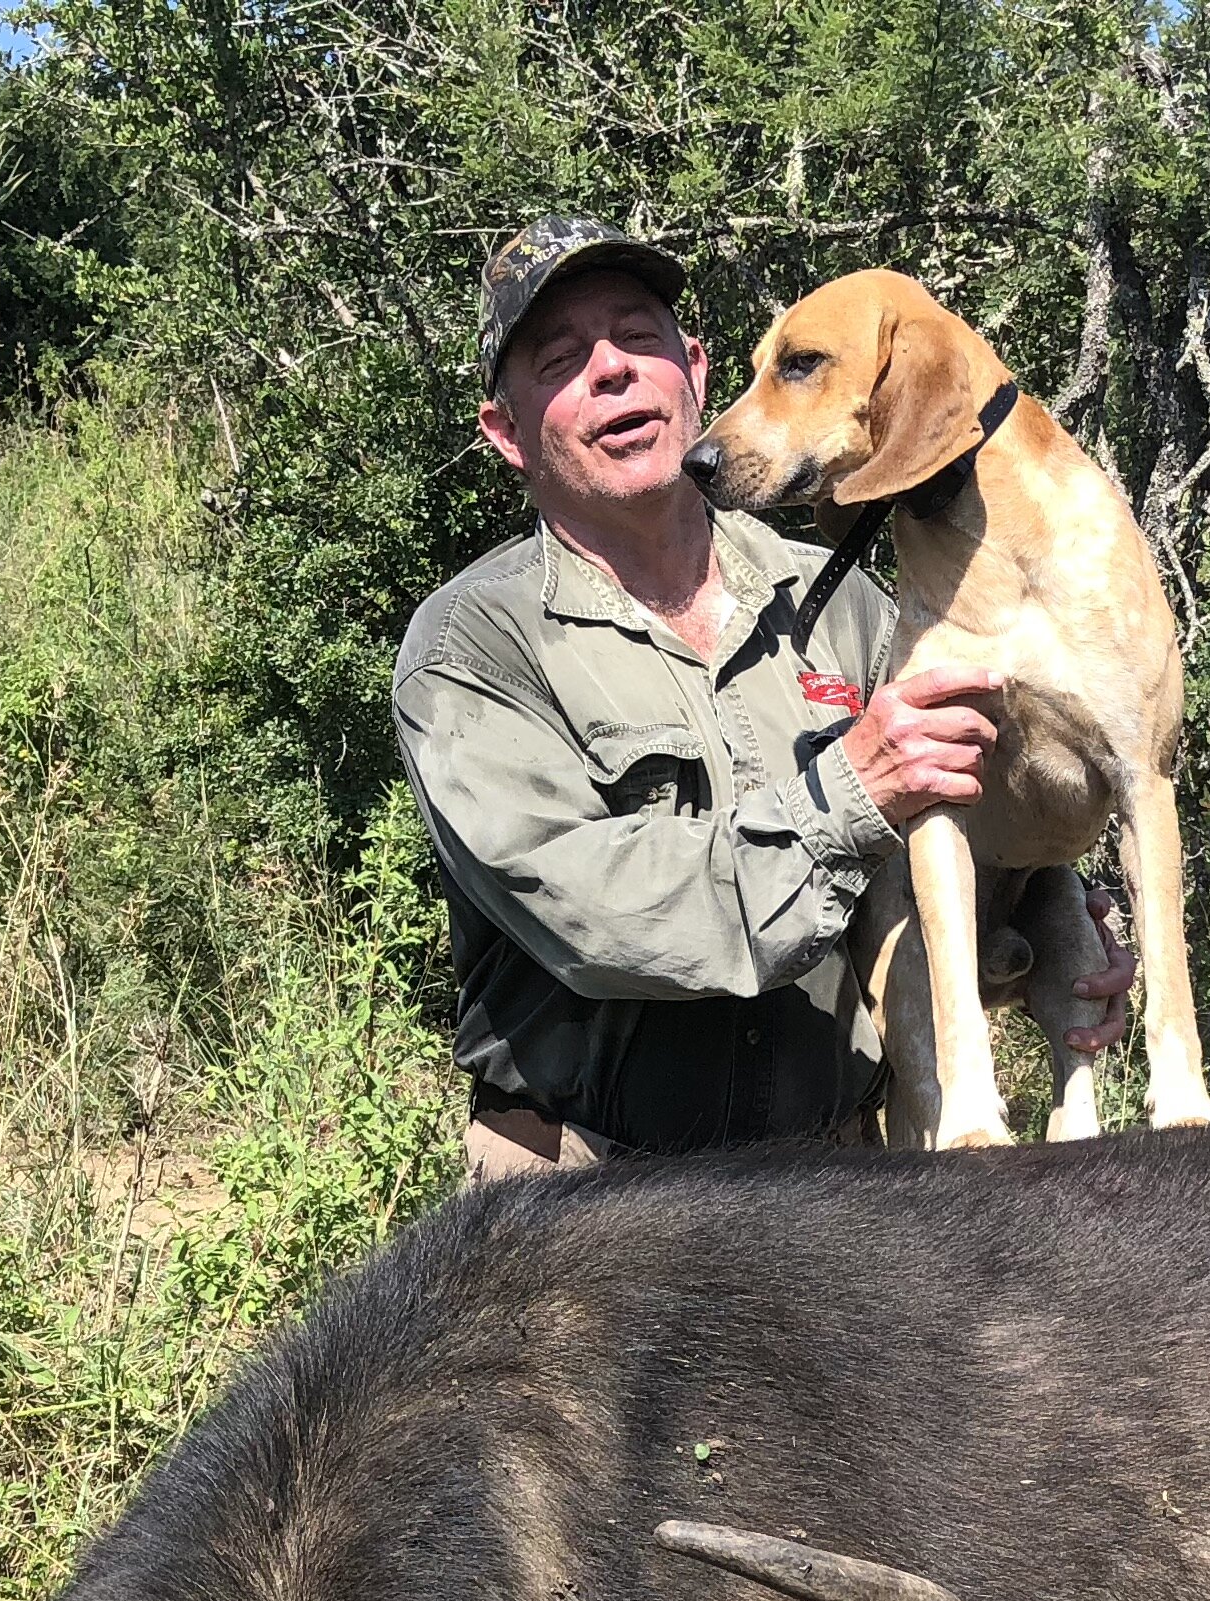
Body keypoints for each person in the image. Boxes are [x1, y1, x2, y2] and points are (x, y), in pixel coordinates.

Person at [392, 216, 1130, 1180]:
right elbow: (597, 919)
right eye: (561, 359)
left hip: (839, 1186)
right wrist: (845, 797)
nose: (613, 370)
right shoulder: (474, 648)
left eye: (640, 338)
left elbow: (954, 836)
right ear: (508, 433)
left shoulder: (851, 604)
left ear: (696, 373)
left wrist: (1052, 926)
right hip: (584, 1197)